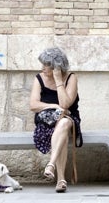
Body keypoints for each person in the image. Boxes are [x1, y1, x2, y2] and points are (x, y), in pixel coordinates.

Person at [30, 47, 82, 193]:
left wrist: (59, 80)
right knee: (62, 132)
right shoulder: (39, 78)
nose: (42, 68)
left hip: (68, 119)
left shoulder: (71, 78)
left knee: (64, 123)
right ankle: (60, 180)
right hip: (46, 122)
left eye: (46, 65)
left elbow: (66, 104)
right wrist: (53, 106)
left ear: (56, 67)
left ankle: (51, 165)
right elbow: (33, 105)